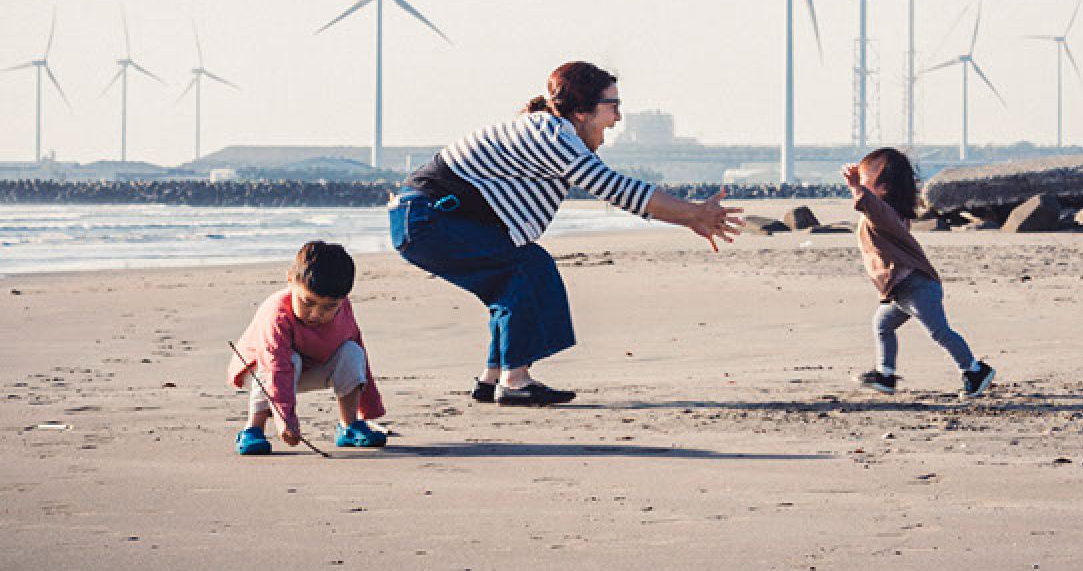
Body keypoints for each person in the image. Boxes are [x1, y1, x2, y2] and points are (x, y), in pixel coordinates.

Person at [390, 60, 741, 406]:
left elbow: (624, 195)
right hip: (427, 221)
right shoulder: (554, 138)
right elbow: (618, 189)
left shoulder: (550, 131)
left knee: (514, 275)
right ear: (582, 111)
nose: (618, 118)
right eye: (613, 106)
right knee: (525, 269)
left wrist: (690, 220)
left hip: (420, 219)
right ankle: (515, 381)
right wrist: (694, 213)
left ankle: (493, 378)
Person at [844, 147, 995, 397]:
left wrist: (855, 189)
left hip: (916, 286)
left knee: (939, 332)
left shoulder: (885, 214)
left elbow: (868, 205)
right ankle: (886, 374)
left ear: (884, 188)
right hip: (900, 290)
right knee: (882, 324)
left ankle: (974, 370)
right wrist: (860, 188)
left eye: (864, 177)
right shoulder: (888, 215)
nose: (859, 181)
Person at [226, 240, 388, 454]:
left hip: (311, 367)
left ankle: (349, 426)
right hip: (264, 368)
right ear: (290, 280)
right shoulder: (276, 313)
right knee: (290, 360)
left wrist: (369, 407)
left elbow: (359, 350)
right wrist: (287, 421)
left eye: (329, 307)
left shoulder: (344, 310)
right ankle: (253, 429)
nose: (316, 314)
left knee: (352, 352)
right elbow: (277, 366)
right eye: (308, 303)